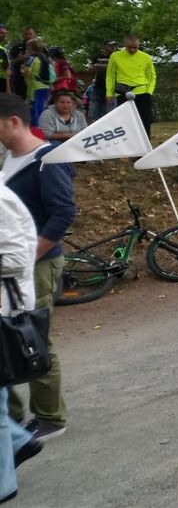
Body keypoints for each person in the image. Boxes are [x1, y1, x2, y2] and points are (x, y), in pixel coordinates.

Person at [0, 92, 75, 442]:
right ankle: (12, 419)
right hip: (12, 267)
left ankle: (50, 418)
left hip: (38, 264)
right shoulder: (9, 158)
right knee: (7, 337)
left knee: (33, 337)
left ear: (13, 121)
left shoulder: (47, 159)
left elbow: (63, 213)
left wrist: (27, 256)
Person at [0, 178, 45, 499]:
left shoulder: (1, 201)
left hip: (5, 311)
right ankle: (17, 441)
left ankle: (4, 485)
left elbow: (17, 259)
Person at [106, 35, 156, 135]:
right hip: (123, 92)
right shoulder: (115, 56)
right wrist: (109, 92)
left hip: (143, 92)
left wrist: (149, 92)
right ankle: (128, 142)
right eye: (129, 47)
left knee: (145, 120)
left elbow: (151, 76)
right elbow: (110, 75)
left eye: (135, 47)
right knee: (125, 121)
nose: (132, 50)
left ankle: (146, 143)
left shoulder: (146, 57)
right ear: (124, 45)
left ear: (139, 45)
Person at [20, 40, 51, 125]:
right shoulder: (45, 58)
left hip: (34, 88)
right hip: (45, 87)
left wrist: (22, 69)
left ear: (30, 48)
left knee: (34, 111)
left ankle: (35, 129)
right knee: (42, 109)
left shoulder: (31, 58)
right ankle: (43, 128)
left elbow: (27, 73)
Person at [87, 40, 117, 120]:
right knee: (94, 112)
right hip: (98, 86)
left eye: (114, 46)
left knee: (109, 112)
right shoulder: (97, 57)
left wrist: (99, 67)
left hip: (111, 88)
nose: (113, 47)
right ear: (104, 46)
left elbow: (116, 70)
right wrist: (105, 68)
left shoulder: (116, 57)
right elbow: (90, 69)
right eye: (110, 46)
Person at [0, 24, 8, 94]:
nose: (4, 35)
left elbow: (6, 69)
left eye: (5, 33)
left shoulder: (2, 50)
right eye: (1, 33)